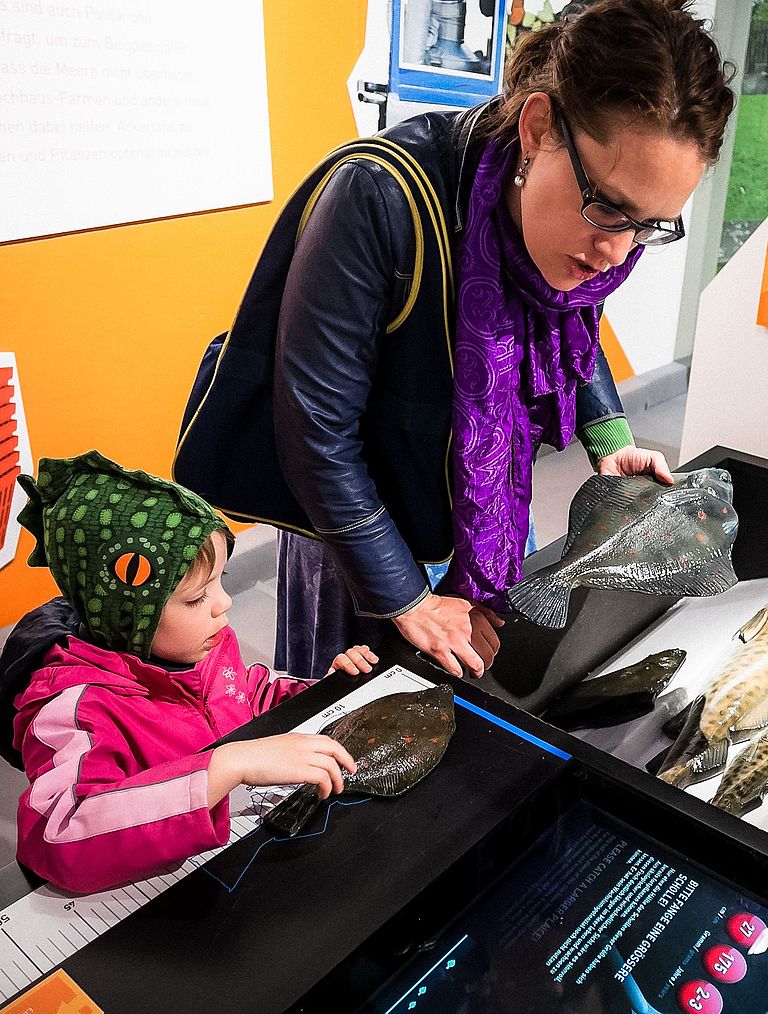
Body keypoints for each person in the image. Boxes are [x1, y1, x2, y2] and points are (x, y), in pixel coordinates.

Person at [175, 0, 734, 682]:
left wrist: (610, 439)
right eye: (609, 207)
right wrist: (404, 595)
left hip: (488, 496)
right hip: (361, 522)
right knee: (353, 728)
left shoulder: (568, 225)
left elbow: (564, 316)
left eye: (649, 226)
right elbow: (315, 431)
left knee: (483, 704)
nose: (616, 252)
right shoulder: (377, 195)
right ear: (537, 130)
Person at [2, 451, 377, 894]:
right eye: (198, 598)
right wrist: (227, 766)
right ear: (131, 613)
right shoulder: (75, 706)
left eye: (221, 580)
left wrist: (324, 693)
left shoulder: (203, 645)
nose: (225, 603)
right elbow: (59, 833)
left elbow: (251, 694)